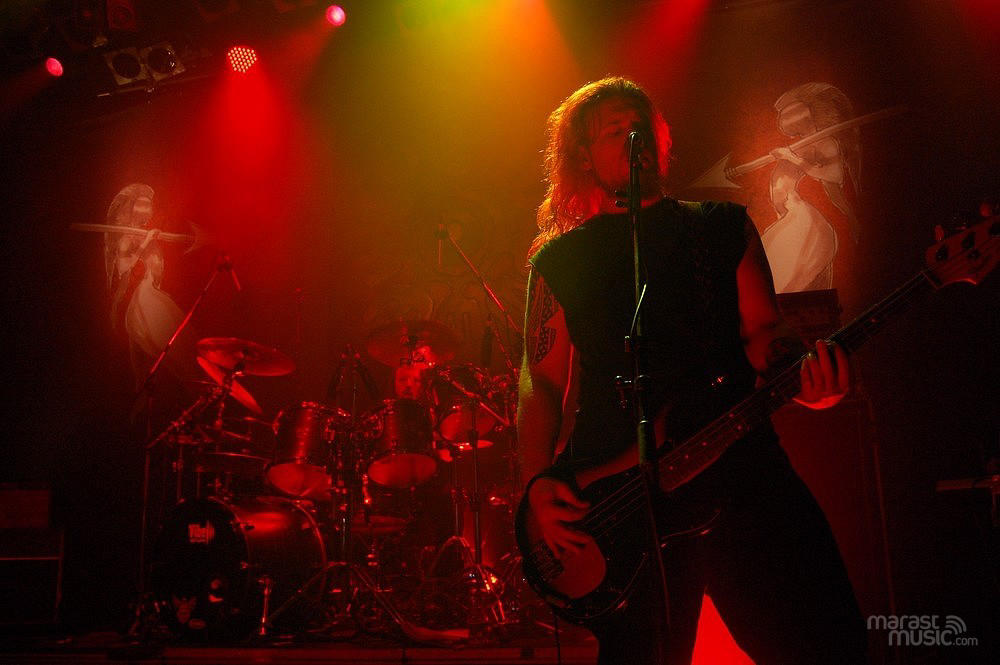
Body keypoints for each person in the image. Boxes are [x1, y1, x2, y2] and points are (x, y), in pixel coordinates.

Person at [516, 77, 867, 664]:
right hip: (623, 493)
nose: (633, 136)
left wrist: (806, 380)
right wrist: (536, 483)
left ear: (661, 140)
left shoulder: (719, 226)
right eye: (614, 130)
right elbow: (542, 382)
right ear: (583, 156)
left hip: (742, 466)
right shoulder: (560, 259)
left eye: (641, 125)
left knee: (825, 642)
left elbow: (764, 330)